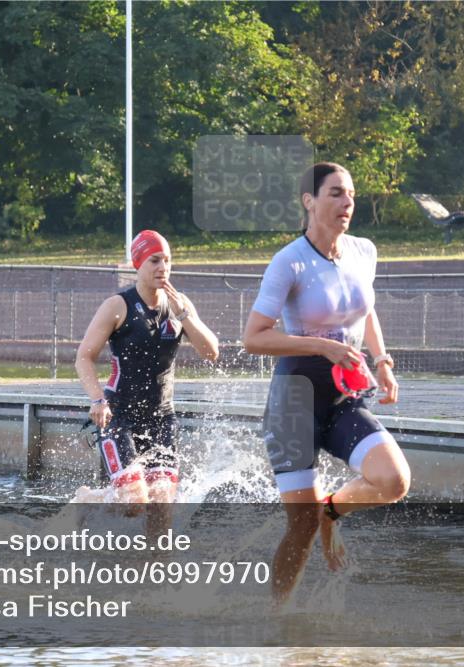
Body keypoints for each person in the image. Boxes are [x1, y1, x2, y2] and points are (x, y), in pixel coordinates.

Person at [242, 162, 410, 605]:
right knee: (300, 524)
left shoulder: (363, 251)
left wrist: (383, 361)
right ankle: (278, 622)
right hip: (294, 401)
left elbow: (366, 309)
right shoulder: (289, 261)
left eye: (351, 193)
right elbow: (253, 337)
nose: (347, 202)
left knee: (394, 481)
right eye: (335, 193)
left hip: (343, 396)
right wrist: (321, 347)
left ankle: (332, 513)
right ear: (309, 201)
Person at [74, 230, 219, 507]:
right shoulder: (118, 306)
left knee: (161, 502)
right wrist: (97, 400)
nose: (162, 268)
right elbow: (84, 356)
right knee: (133, 503)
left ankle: (156, 552)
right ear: (137, 264)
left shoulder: (180, 304)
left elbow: (211, 352)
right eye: (154, 260)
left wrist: (185, 316)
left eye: (167, 260)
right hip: (119, 416)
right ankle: (87, 499)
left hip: (162, 417)